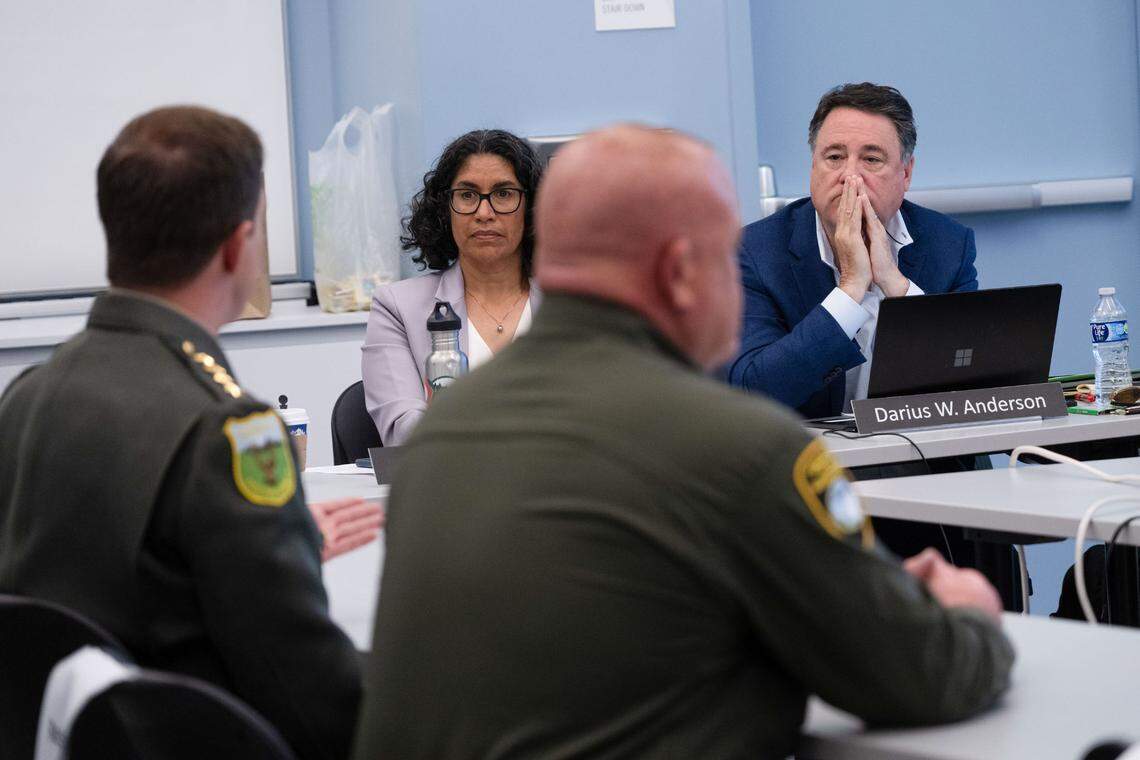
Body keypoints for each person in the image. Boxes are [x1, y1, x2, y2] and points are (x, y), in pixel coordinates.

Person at [352, 125, 1014, 759]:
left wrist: (870, 591)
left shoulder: (447, 430)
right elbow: (914, 676)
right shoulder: (739, 448)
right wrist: (967, 613)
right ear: (679, 272)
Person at [0, 106, 379, 760]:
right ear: (238, 246)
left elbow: (91, 592)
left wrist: (265, 552)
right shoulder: (230, 431)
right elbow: (313, 698)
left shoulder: (30, 393)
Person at [726, 82, 978, 419]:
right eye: (834, 157)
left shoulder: (948, 244)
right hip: (813, 463)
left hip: (925, 457)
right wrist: (850, 289)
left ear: (905, 173)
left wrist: (897, 287)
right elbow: (754, 393)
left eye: (871, 159)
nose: (850, 177)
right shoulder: (755, 253)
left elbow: (971, 382)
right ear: (813, 167)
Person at [362, 129, 545, 446]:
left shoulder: (572, 303)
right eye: (467, 195)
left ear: (530, 209)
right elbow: (404, 432)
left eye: (503, 194)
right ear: (444, 209)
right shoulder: (397, 308)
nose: (484, 213)